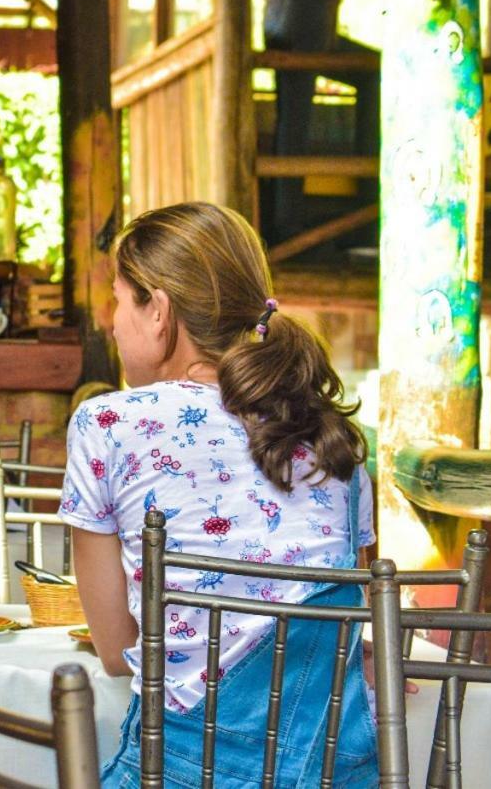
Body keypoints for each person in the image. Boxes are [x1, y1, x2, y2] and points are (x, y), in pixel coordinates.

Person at [59, 201, 378, 787]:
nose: (111, 321)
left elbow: (114, 652)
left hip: (187, 768)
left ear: (158, 310)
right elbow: (338, 632)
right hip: (339, 770)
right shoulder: (336, 440)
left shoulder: (106, 424)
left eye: (118, 298)